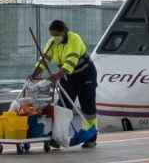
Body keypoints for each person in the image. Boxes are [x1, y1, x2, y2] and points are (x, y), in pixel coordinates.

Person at [30, 20, 98, 148]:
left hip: (85, 75)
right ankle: (58, 136)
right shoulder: (52, 43)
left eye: (57, 35)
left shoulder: (74, 39)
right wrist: (34, 74)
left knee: (87, 106)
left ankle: (91, 136)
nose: (55, 38)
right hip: (67, 77)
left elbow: (70, 63)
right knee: (62, 107)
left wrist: (56, 76)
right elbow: (44, 61)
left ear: (64, 31)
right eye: (52, 35)